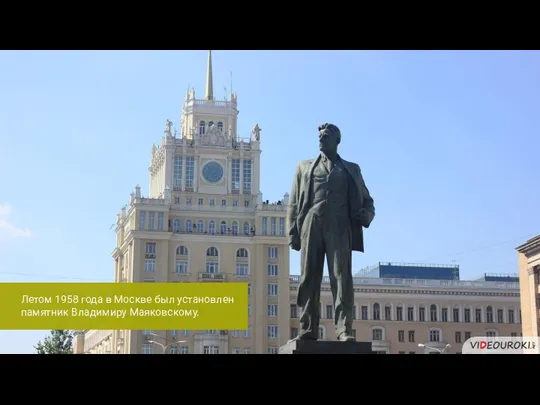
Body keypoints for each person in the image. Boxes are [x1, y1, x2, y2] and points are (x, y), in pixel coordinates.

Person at [287, 123, 375, 342]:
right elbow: (294, 203)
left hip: (339, 226)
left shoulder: (351, 169)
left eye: (325, 136)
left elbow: (368, 200)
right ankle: (307, 329)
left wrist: (367, 215)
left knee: (341, 277)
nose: (321, 139)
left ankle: (343, 329)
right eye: (319, 136)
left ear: (337, 140)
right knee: (309, 277)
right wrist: (292, 233)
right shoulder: (304, 167)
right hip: (311, 224)